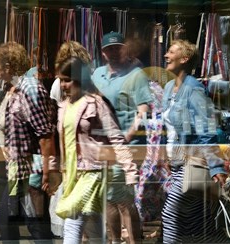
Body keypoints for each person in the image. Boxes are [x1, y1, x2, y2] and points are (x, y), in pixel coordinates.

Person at [55, 56, 139, 244]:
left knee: (73, 218)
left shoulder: (96, 103)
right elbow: (63, 143)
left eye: (67, 80)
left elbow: (116, 137)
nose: (63, 85)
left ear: (78, 79)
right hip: (71, 173)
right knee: (93, 227)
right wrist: (54, 168)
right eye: (61, 80)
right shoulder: (63, 107)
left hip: (93, 171)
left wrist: (130, 170)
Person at [161, 39, 228, 243]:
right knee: (198, 222)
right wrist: (167, 156)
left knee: (169, 214)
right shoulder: (168, 88)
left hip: (193, 160)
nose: (166, 55)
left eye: (171, 52)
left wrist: (216, 166)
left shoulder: (194, 88)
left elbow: (206, 129)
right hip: (178, 162)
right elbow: (169, 128)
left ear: (184, 58)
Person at [0, 42, 58, 242]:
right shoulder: (7, 89)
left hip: (30, 170)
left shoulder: (30, 87)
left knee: (36, 224)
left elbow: (45, 134)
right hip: (12, 169)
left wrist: (48, 173)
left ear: (8, 65)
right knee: (6, 220)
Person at [92, 31, 153, 243]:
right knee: (109, 198)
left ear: (124, 49)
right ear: (103, 52)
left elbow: (144, 109)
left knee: (123, 198)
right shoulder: (97, 74)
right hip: (103, 147)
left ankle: (134, 240)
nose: (114, 52)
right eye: (109, 49)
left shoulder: (136, 74)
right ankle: (115, 240)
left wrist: (128, 135)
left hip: (126, 146)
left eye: (117, 48)